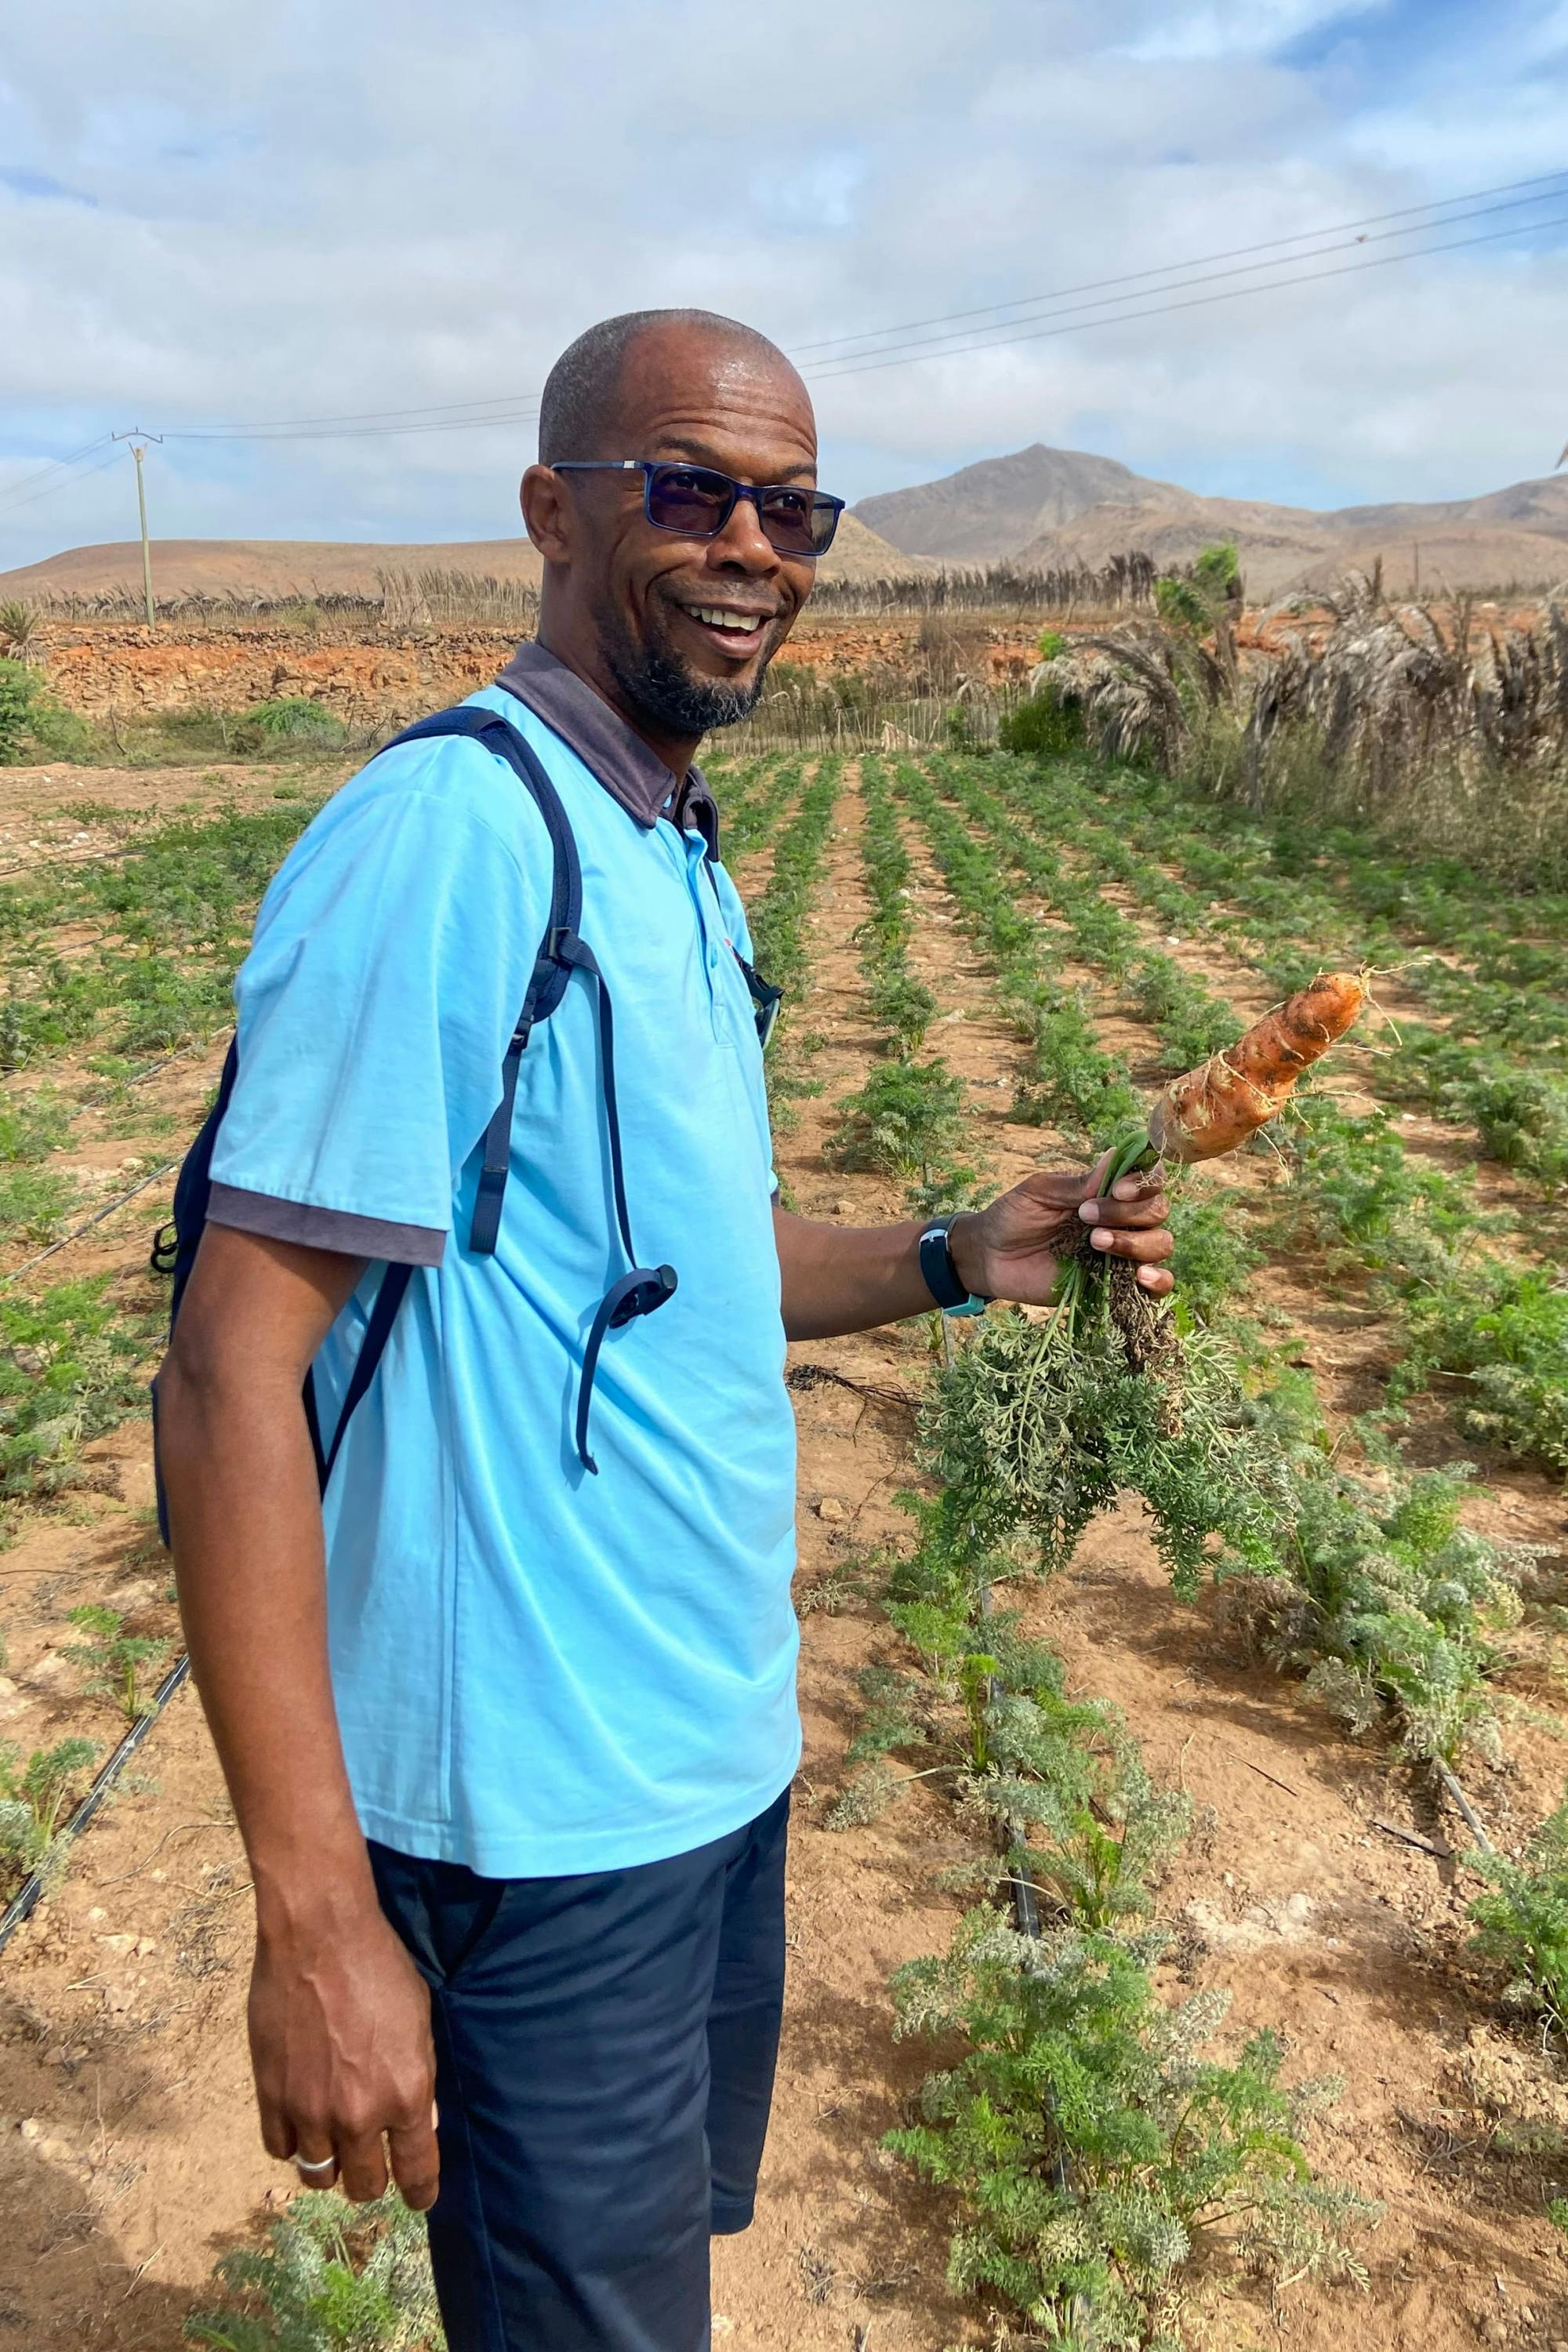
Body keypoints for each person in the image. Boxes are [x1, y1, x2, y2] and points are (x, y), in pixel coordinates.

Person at [156, 307, 1173, 2352]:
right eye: (691, 490)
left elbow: (692, 1255)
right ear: (551, 510)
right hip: (538, 1830)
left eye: (793, 507)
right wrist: (317, 1920)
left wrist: (965, 1252)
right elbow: (225, 1367)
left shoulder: (666, 842)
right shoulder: (458, 835)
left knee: (641, 2284)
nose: (751, 546)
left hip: (706, 1759)